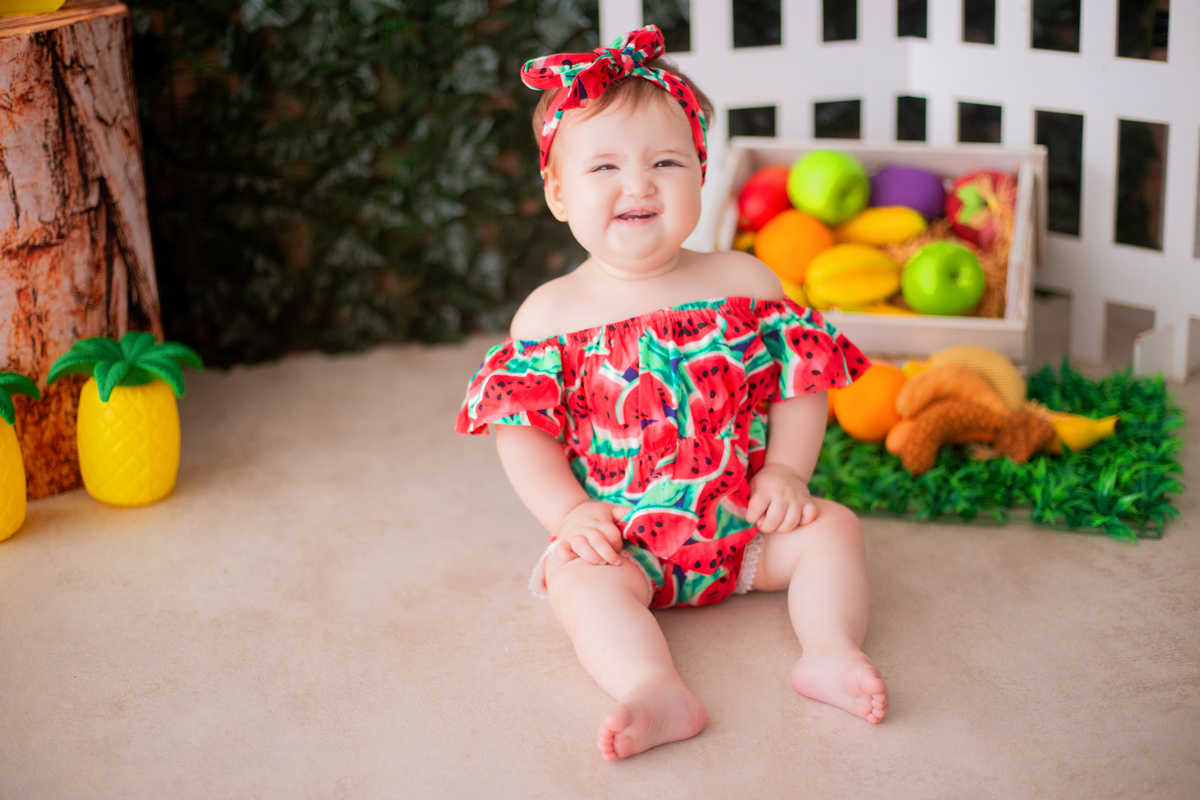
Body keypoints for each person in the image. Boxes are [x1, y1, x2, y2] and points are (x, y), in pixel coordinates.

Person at [456, 26, 887, 761]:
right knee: (575, 581)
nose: (639, 184)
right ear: (558, 193)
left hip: (746, 526)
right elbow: (520, 433)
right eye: (604, 166)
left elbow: (800, 382)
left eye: (665, 161)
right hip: (624, 543)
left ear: (700, 173)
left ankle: (829, 649)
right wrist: (569, 514)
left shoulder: (745, 283)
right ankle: (652, 687)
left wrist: (787, 472)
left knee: (834, 530)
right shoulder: (551, 316)